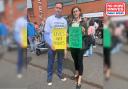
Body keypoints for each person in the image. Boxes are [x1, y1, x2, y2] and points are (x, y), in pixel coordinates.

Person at [44, 2, 67, 86]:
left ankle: (60, 74)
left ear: (62, 9)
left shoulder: (64, 21)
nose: (58, 9)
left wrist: (65, 46)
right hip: (52, 46)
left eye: (60, 8)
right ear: (54, 8)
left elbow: (64, 35)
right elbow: (46, 34)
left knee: (60, 61)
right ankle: (49, 77)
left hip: (61, 45)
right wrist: (50, 44)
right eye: (57, 7)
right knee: (51, 62)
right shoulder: (49, 19)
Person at [67, 6, 86, 89]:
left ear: (79, 12)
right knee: (75, 60)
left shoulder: (83, 22)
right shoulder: (70, 23)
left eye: (76, 11)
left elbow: (87, 35)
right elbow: (68, 33)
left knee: (80, 61)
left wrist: (84, 31)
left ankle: (80, 79)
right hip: (72, 45)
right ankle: (77, 72)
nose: (75, 13)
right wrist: (67, 37)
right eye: (74, 11)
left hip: (80, 46)